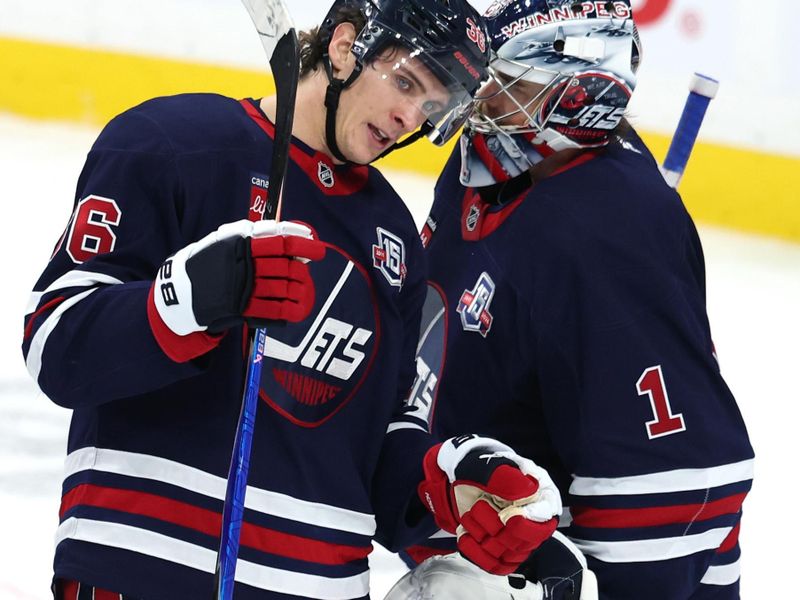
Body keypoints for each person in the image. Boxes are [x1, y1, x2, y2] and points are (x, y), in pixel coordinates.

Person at [21, 1, 563, 598]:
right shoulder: (172, 144)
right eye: (406, 83)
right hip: (144, 571)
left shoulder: (396, 240)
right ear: (344, 46)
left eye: (431, 107)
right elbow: (56, 347)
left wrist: (453, 481)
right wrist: (184, 302)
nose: (409, 117)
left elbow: (380, 448)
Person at [396, 1, 755, 598]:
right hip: (473, 532)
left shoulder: (605, 230)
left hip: (546, 559)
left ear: (584, 94)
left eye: (510, 84)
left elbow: (671, 485)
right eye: (486, 77)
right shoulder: (485, 167)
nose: (483, 99)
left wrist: (573, 580)